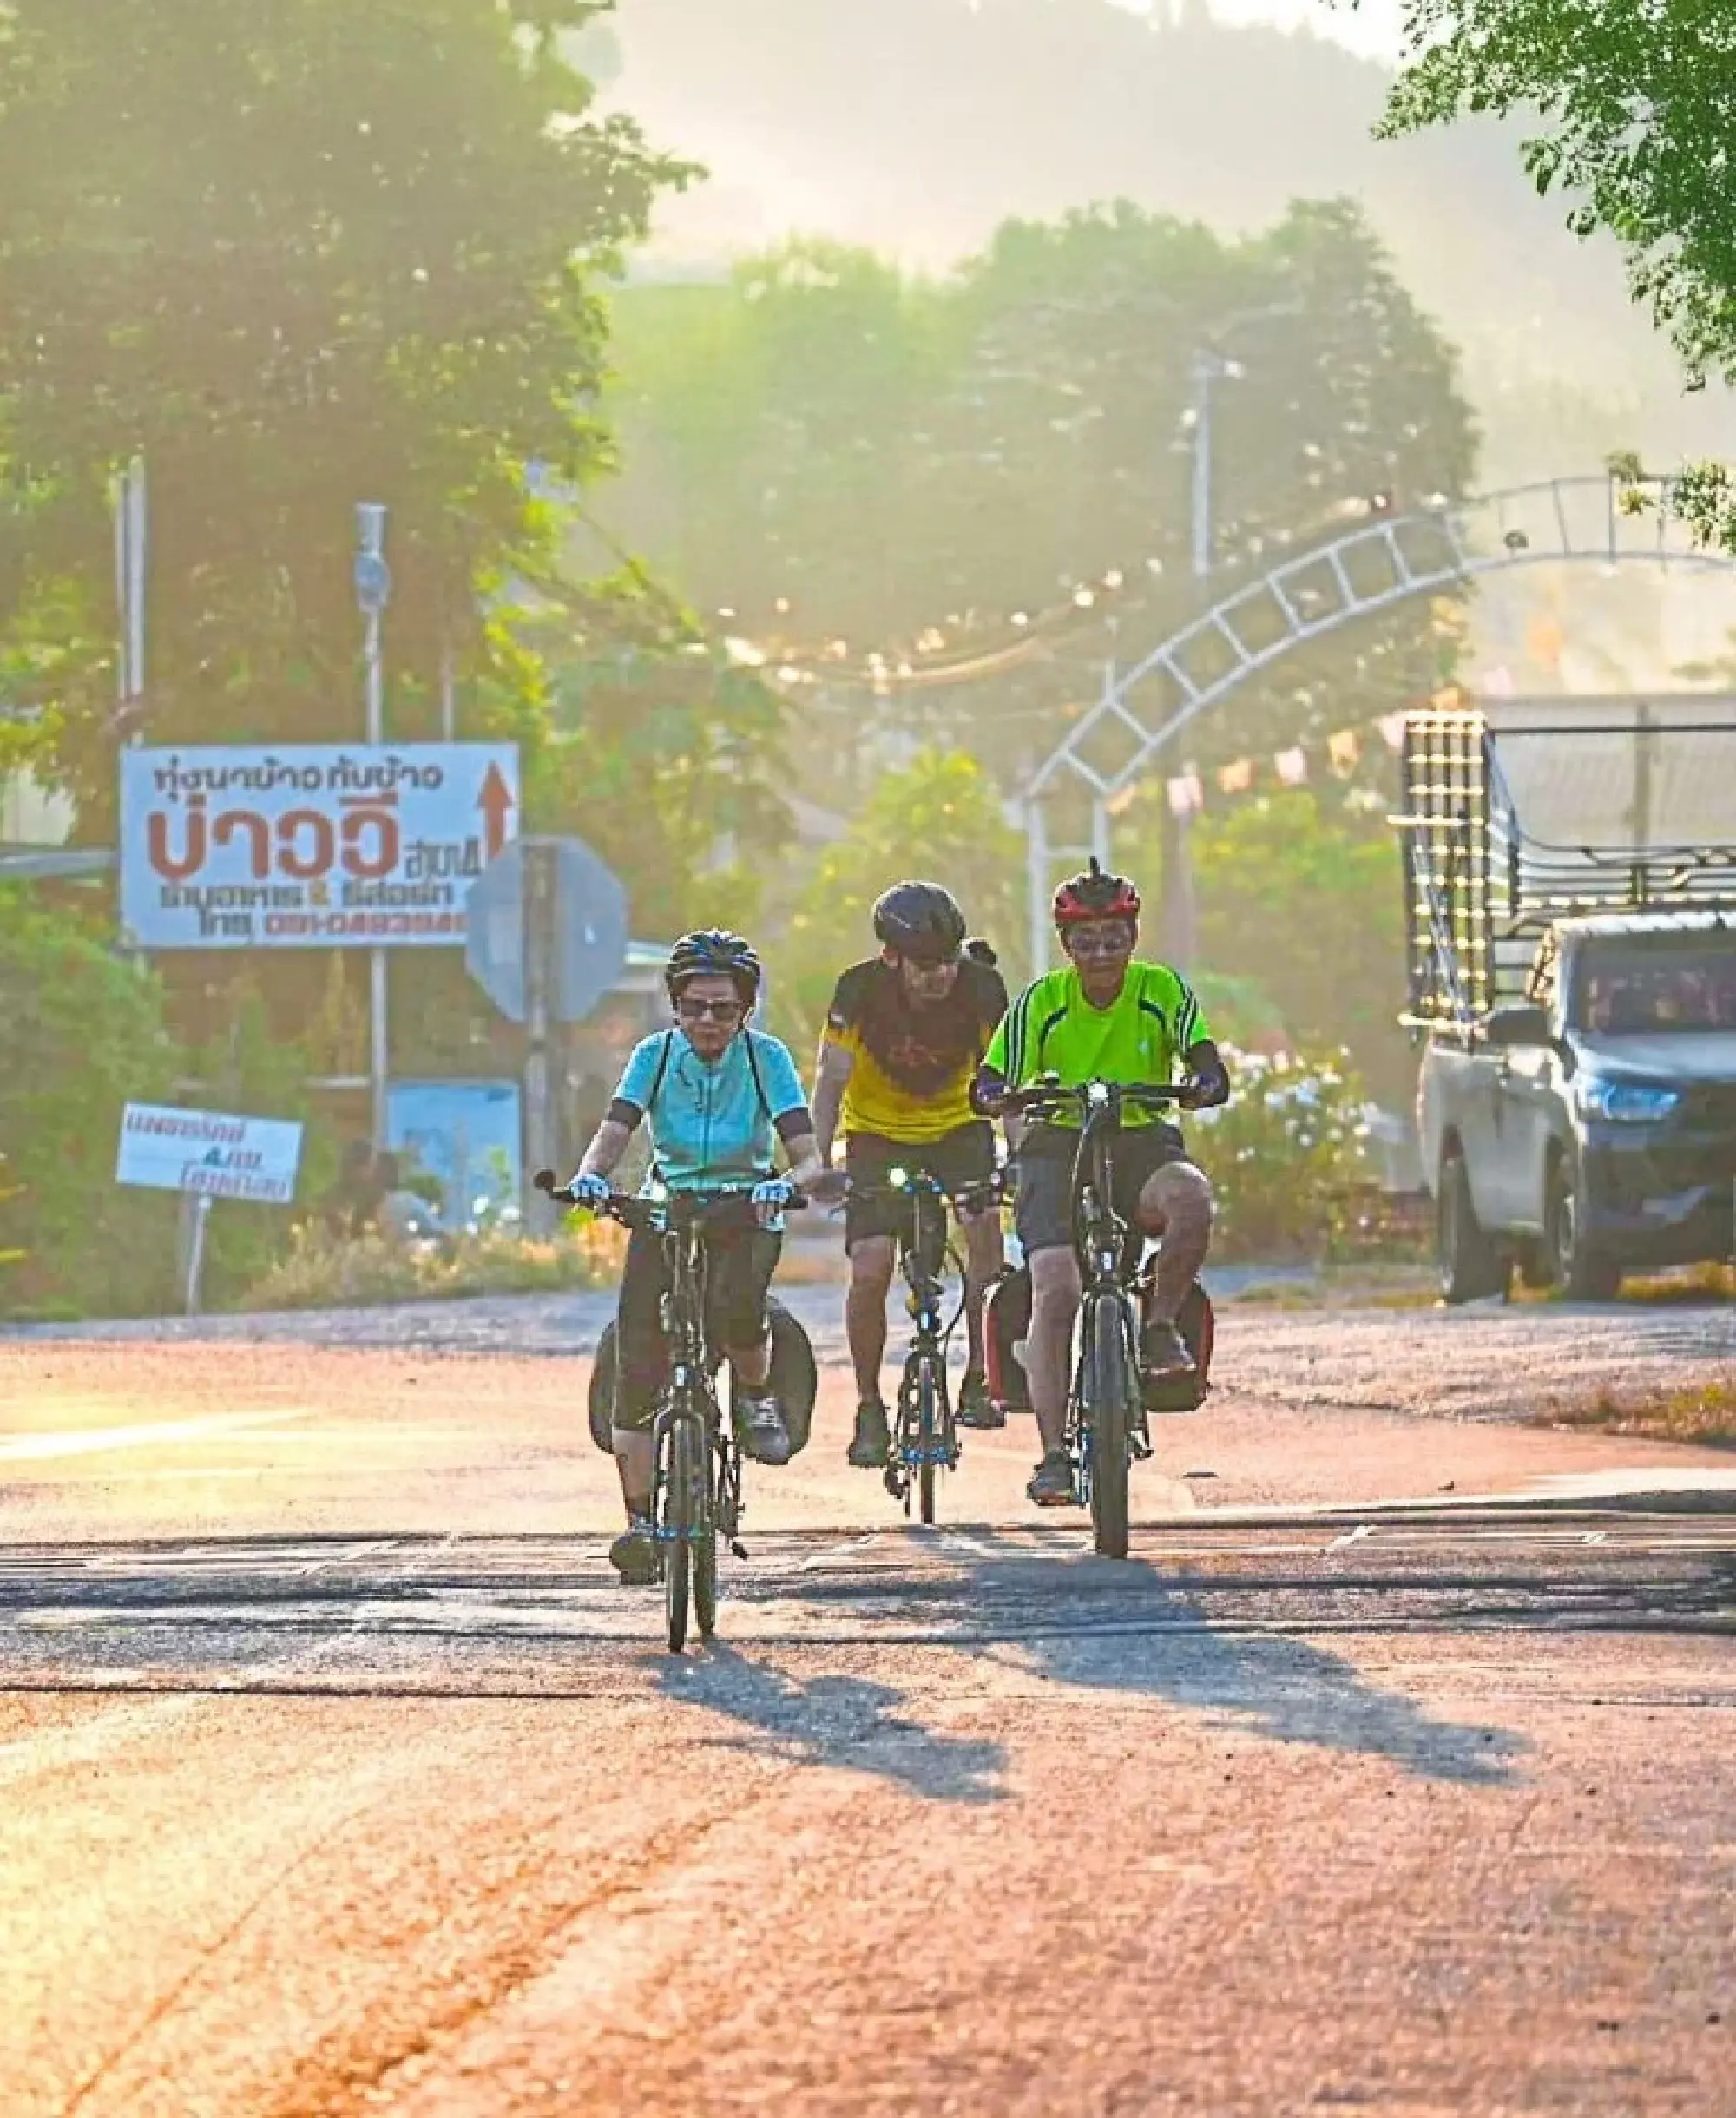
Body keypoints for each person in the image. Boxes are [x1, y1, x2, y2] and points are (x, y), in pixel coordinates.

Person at [563, 930, 830, 1583]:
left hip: (746, 1205)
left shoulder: (767, 1059)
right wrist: (592, 1176)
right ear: (675, 1007)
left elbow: (808, 1155)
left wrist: (786, 1185)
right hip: (668, 1207)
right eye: (693, 1007)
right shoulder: (653, 1057)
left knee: (740, 1307)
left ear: (745, 1010)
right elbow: (615, 1129)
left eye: (723, 1008)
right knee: (637, 1358)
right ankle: (639, 1526)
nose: (707, 1020)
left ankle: (757, 1398)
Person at [972, 859, 1231, 1509]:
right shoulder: (1041, 1002)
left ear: (1133, 938)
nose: (1101, 953)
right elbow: (994, 1074)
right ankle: (1054, 1455)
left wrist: (1205, 1083)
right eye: (1086, 942)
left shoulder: (1162, 989)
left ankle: (1159, 1325)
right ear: (1067, 947)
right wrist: (995, 1091)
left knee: (1192, 1199)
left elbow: (1203, 1058)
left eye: (1113, 939)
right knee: (1056, 1291)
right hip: (1057, 1146)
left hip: (1141, 1136)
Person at [810, 880, 1011, 1469]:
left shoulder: (981, 988)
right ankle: (870, 1406)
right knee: (871, 1266)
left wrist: (1017, 1157)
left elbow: (1007, 1085)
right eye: (924, 966)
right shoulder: (858, 990)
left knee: (984, 1236)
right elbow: (829, 1081)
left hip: (959, 1127)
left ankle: (980, 1374)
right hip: (877, 1134)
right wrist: (818, 1164)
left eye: (948, 961)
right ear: (890, 957)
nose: (939, 976)